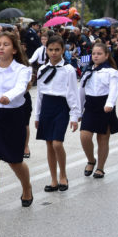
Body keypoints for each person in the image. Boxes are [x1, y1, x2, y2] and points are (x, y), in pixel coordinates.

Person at [0, 31, 33, 215]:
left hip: (14, 116)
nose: (1, 47)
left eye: (6, 44)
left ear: (15, 50)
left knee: (15, 161)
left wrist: (8, 97)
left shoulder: (23, 70)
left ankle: (27, 188)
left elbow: (20, 88)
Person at [34, 36, 81, 193]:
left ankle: (63, 175)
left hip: (61, 107)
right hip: (46, 107)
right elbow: (39, 94)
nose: (53, 53)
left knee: (57, 143)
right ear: (46, 50)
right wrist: (37, 116)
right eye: (51, 50)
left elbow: (73, 93)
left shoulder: (68, 70)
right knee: (49, 144)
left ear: (63, 50)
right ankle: (53, 179)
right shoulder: (42, 69)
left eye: (57, 50)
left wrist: (75, 115)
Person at [79, 41, 118, 179]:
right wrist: (78, 111)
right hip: (90, 106)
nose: (96, 56)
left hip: (105, 107)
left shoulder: (111, 72)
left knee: (102, 139)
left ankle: (100, 168)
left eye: (99, 54)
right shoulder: (88, 71)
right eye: (93, 54)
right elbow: (81, 91)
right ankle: (91, 160)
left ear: (106, 55)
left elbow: (114, 89)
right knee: (84, 136)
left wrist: (110, 103)